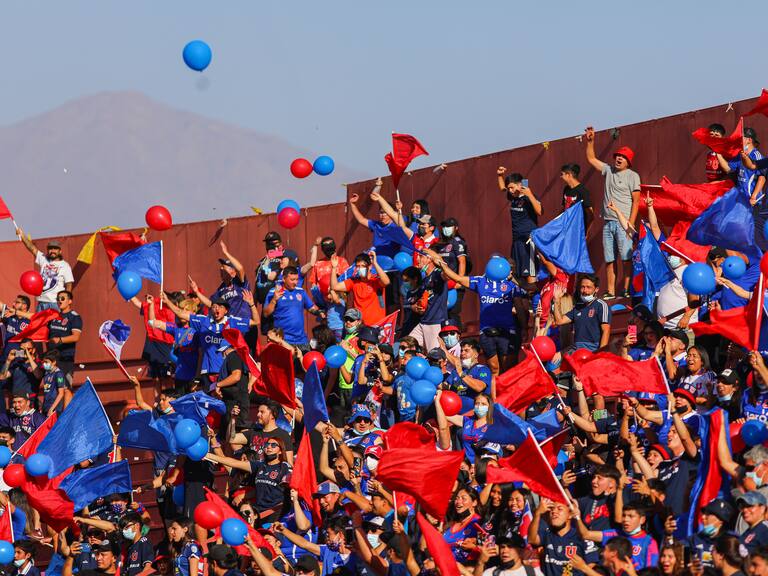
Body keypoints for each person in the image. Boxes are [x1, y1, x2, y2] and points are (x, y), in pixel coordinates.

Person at [585, 126, 641, 298]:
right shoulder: (608, 170)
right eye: (618, 156)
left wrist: (630, 225)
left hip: (623, 223)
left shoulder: (633, 176)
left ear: (628, 161)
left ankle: (625, 289)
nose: (619, 159)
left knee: (626, 258)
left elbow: (636, 201)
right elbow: (591, 159)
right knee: (609, 259)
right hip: (608, 222)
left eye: (623, 157)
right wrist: (590, 141)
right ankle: (610, 290)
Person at [206, 437, 291, 523]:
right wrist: (207, 455)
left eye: (273, 445)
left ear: (280, 451)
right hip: (258, 513)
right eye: (267, 445)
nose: (269, 447)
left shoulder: (284, 467)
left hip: (276, 513)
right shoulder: (259, 466)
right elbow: (233, 462)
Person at [496, 168, 542, 284]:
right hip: (517, 241)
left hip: (529, 240)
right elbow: (503, 188)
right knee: (517, 271)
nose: (510, 190)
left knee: (530, 272)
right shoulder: (514, 197)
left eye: (512, 187)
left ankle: (534, 299)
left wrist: (529, 194)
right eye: (509, 188)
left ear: (519, 185)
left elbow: (540, 211)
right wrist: (500, 175)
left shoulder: (529, 197)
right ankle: (523, 298)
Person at [263, 267, 324, 347]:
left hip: (301, 340)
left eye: (297, 279)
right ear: (284, 279)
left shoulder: (300, 291)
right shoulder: (274, 292)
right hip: (283, 340)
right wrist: (274, 300)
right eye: (292, 280)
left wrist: (319, 313)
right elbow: (266, 313)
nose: (295, 282)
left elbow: (310, 307)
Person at [16, 233, 74, 311]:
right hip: (41, 302)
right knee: (38, 323)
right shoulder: (44, 260)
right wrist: (22, 236)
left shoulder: (65, 266)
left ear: (60, 251)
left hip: (55, 303)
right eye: (50, 249)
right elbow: (32, 248)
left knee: (56, 323)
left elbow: (69, 285)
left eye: (55, 249)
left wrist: (65, 302)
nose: (52, 251)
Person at [553, 274, 611, 352]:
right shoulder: (577, 307)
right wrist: (556, 300)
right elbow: (559, 321)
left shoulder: (601, 305)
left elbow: (606, 330)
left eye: (588, 287)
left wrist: (601, 353)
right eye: (582, 287)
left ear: (596, 289)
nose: (585, 291)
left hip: (593, 348)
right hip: (577, 349)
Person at [528, 499, 586, 576]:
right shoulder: (547, 533)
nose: (554, 512)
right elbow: (532, 540)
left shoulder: (580, 536)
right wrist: (537, 513)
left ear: (570, 515)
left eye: (560, 509)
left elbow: (591, 564)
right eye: (552, 509)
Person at [330, 253, 389, 326]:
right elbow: (334, 287)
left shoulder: (376, 280)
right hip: (360, 326)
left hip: (377, 325)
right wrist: (334, 268)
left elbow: (386, 282)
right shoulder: (353, 282)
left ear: (369, 267)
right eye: (358, 266)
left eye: (363, 266)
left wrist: (375, 263)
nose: (360, 268)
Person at [230, 400, 294, 464]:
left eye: (262, 412)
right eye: (258, 411)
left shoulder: (283, 435)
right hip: (255, 473)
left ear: (273, 415)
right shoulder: (253, 432)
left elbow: (289, 463)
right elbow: (231, 439)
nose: (258, 414)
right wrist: (233, 418)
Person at [46, 290, 82, 384]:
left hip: (65, 358)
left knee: (65, 386)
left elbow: (76, 337)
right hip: (51, 358)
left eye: (62, 298)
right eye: (58, 299)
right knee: (50, 386)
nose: (60, 301)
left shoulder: (74, 317)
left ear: (70, 301)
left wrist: (60, 340)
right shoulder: (53, 316)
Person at [560, 163, 594, 233]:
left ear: (568, 175)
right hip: (566, 228)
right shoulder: (566, 189)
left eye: (562, 174)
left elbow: (590, 214)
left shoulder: (583, 190)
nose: (561, 177)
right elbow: (563, 208)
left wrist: (586, 231)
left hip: (578, 229)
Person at [119, 512, 153, 576]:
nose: (124, 531)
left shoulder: (144, 542)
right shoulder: (130, 547)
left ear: (137, 525)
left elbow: (149, 567)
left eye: (126, 527)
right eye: (122, 529)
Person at [38, 350, 68, 415]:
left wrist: (52, 408)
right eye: (43, 362)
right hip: (46, 407)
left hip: (55, 409)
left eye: (46, 362)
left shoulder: (58, 374)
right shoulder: (46, 373)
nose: (44, 364)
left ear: (54, 362)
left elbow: (61, 393)